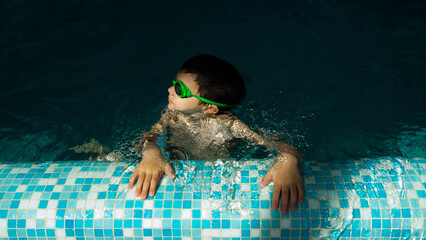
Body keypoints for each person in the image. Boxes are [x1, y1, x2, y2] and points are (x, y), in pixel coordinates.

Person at [128, 55, 304, 214]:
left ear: (209, 108)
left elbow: (274, 144)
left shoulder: (230, 125)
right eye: (175, 82)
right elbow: (149, 138)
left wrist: (288, 159)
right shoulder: (172, 114)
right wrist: (152, 154)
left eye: (179, 89)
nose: (169, 89)